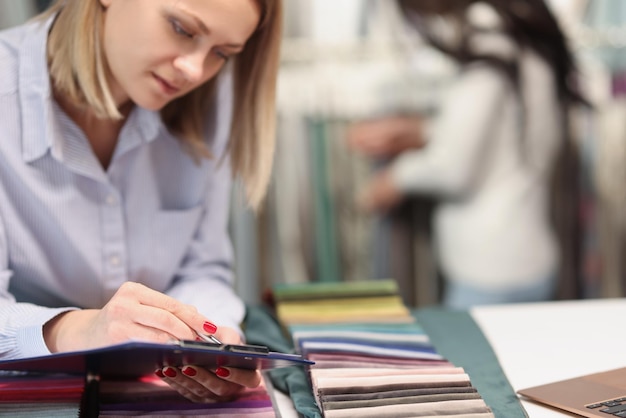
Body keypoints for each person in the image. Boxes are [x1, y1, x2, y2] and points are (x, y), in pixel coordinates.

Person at [0, 0, 282, 403]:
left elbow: (203, 268)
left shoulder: (212, 102)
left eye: (222, 53)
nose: (194, 70)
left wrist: (211, 337)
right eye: (182, 29)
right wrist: (80, 330)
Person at [347, 0, 586, 309]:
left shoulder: (490, 42)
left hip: (491, 270)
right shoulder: (521, 34)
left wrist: (396, 178)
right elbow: (506, 133)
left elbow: (455, 169)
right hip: (524, 257)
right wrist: (421, 130)